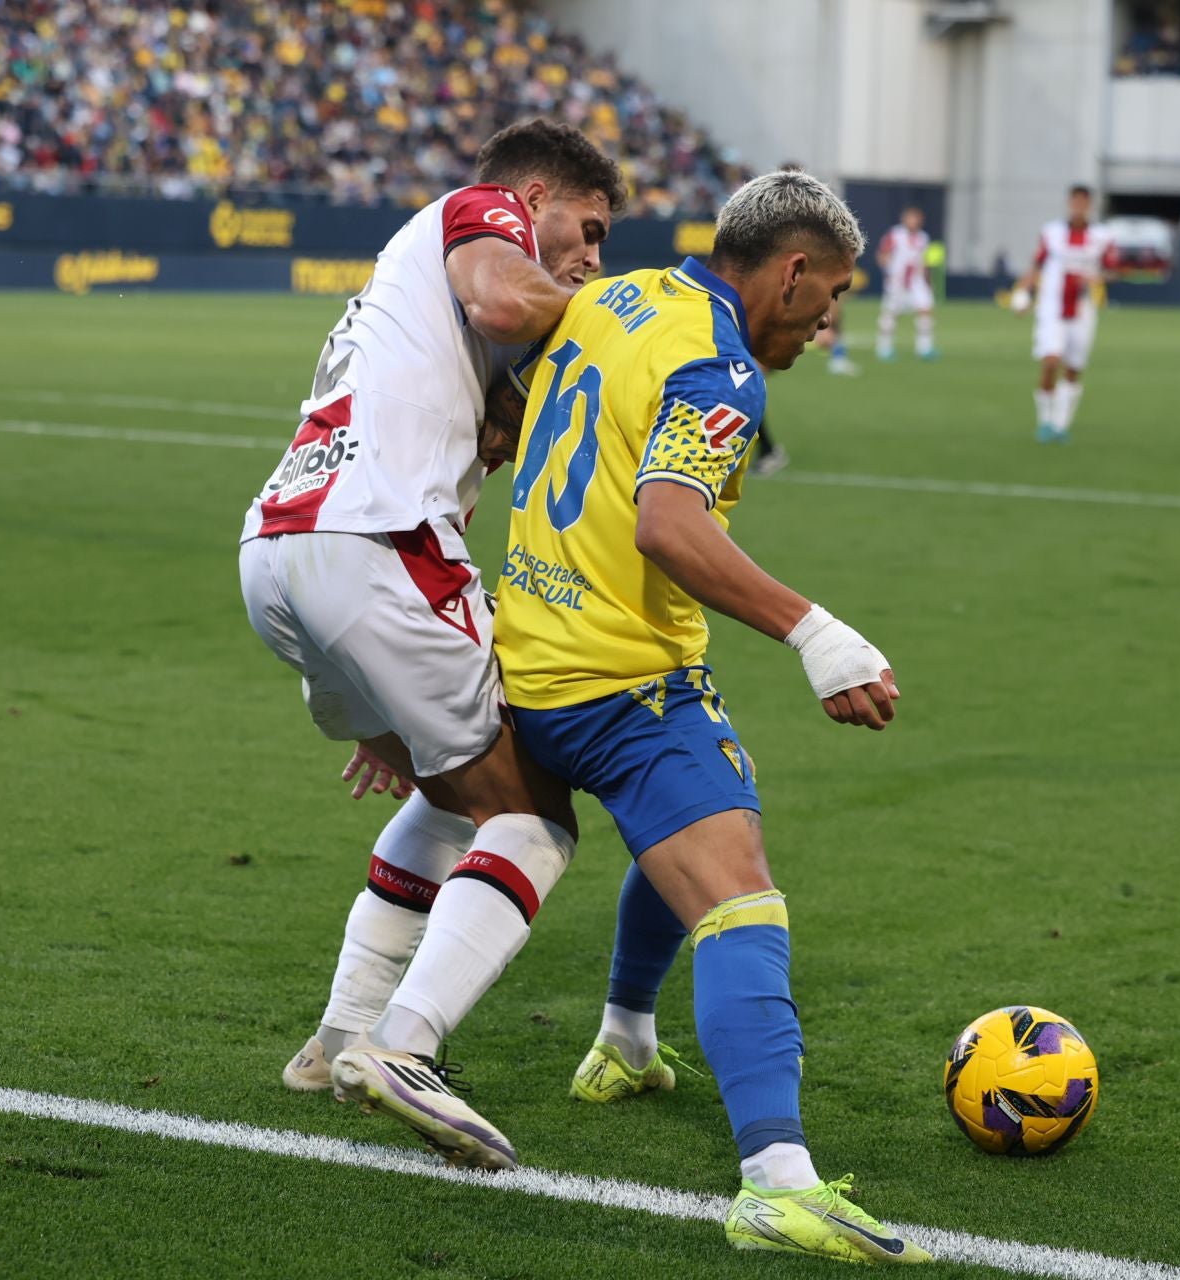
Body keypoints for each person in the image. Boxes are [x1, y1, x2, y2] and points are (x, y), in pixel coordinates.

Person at [348, 169, 929, 1263]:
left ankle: (620, 1038)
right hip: (625, 684)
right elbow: (668, 524)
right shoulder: (719, 362)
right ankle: (778, 1178)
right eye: (835, 292)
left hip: (522, 666)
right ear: (791, 271)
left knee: (703, 811)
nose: (833, 318)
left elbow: (509, 409)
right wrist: (817, 632)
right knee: (739, 889)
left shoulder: (612, 298)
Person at [236, 120, 625, 1171]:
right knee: (535, 815)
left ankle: (333, 1038)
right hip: (373, 546)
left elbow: (497, 395)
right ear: (534, 194)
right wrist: (621, 318)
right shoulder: (480, 213)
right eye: (586, 230)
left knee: (452, 797)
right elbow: (508, 296)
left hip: (279, 553)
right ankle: (402, 1046)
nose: (592, 257)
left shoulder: (423, 299)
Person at [1012, 184, 1118, 444]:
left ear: (1089, 205)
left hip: (1082, 311)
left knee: (1073, 368)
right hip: (1051, 308)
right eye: (1075, 201)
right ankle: (1045, 421)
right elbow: (1036, 266)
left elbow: (1113, 271)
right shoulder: (1051, 232)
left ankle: (1061, 424)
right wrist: (1022, 294)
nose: (1079, 206)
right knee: (1051, 361)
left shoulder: (1103, 237)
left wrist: (1096, 277)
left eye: (1084, 202)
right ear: (1069, 203)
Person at [874, 206, 935, 362]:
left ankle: (925, 348)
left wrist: (928, 282)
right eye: (911, 218)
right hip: (897, 281)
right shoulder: (895, 234)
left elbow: (924, 262)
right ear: (905, 219)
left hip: (916, 281)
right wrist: (889, 271)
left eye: (917, 218)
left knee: (925, 310)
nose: (914, 221)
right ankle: (884, 348)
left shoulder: (923, 238)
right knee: (891, 314)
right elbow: (882, 254)